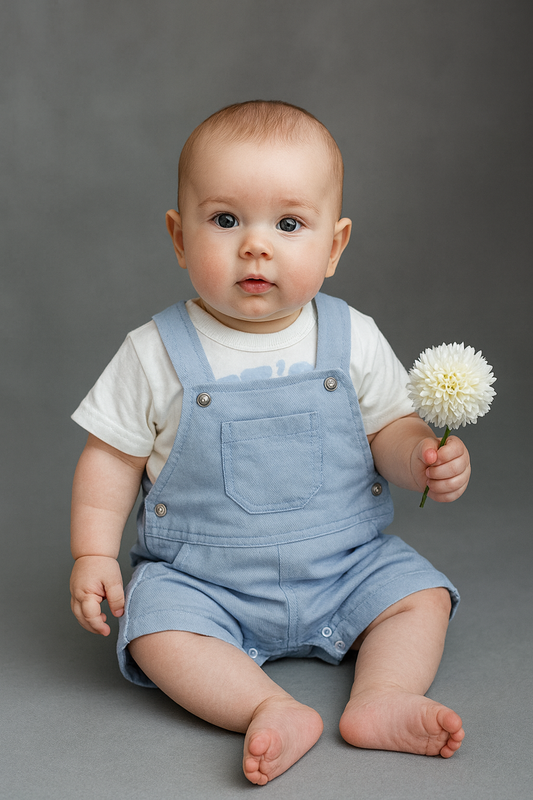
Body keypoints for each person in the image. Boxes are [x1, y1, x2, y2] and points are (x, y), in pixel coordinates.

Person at [70, 100, 469, 785]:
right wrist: (92, 551)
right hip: (206, 582)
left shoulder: (352, 336)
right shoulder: (153, 351)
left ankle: (383, 697)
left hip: (343, 566)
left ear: (335, 245)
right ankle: (267, 707)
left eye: (288, 224)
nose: (256, 245)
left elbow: (387, 430)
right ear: (177, 235)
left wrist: (421, 457)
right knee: (156, 626)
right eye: (225, 220)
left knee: (419, 596)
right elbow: (112, 455)